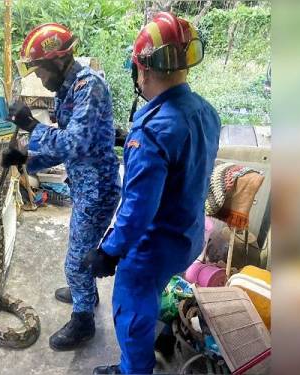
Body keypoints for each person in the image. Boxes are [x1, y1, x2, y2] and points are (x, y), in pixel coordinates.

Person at [82, 12, 222, 374]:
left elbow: (137, 211)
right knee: (151, 293)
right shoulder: (206, 112)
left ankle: (133, 369)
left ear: (142, 70)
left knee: (129, 309)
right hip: (188, 238)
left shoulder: (152, 132)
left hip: (153, 247)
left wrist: (109, 252)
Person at [2, 23, 122, 351]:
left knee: (75, 260)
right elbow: (64, 149)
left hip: (97, 189)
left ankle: (83, 320)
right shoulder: (69, 89)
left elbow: (75, 142)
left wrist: (30, 125)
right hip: (84, 184)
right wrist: (25, 157)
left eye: (40, 71)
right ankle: (86, 290)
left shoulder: (89, 87)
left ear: (57, 62)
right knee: (79, 250)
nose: (39, 79)